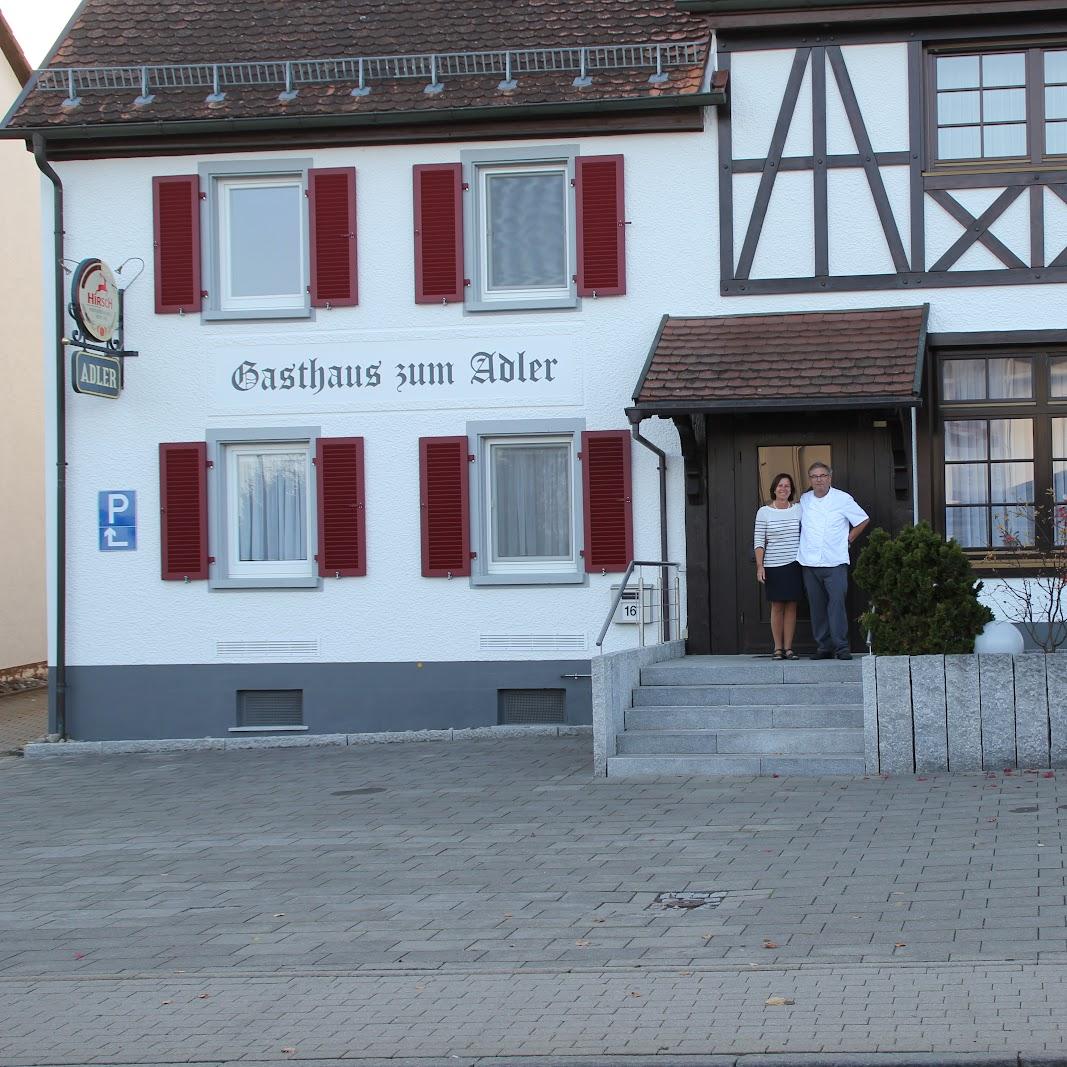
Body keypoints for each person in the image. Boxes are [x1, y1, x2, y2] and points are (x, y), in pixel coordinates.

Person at [797, 461, 869, 660]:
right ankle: (823, 647)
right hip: (809, 562)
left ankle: (841, 647)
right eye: (814, 476)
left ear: (830, 477)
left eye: (822, 476)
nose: (818, 479)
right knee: (817, 606)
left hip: (835, 562)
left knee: (836, 605)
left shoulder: (842, 499)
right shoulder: (804, 499)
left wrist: (849, 539)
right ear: (810, 480)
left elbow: (863, 519)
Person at [753, 473, 803, 660]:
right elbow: (759, 541)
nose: (784, 489)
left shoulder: (798, 509)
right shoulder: (764, 512)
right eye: (780, 485)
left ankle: (789, 649)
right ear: (774, 488)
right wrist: (760, 566)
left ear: (791, 490)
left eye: (787, 486)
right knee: (777, 606)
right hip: (773, 565)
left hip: (795, 564)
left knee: (792, 606)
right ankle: (778, 648)